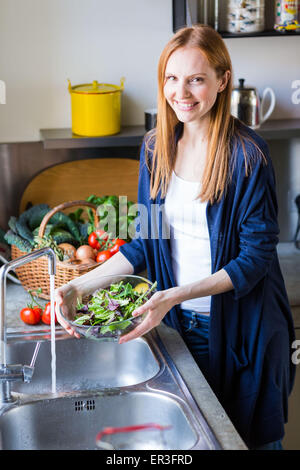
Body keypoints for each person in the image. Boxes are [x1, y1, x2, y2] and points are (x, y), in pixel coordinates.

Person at [55, 25, 295, 450]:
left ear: (222, 81)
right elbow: (146, 240)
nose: (181, 92)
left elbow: (255, 257)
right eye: (171, 77)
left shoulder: (247, 155)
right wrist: (76, 285)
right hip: (180, 326)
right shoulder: (156, 148)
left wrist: (173, 295)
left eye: (196, 79)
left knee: (248, 442)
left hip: (246, 330)